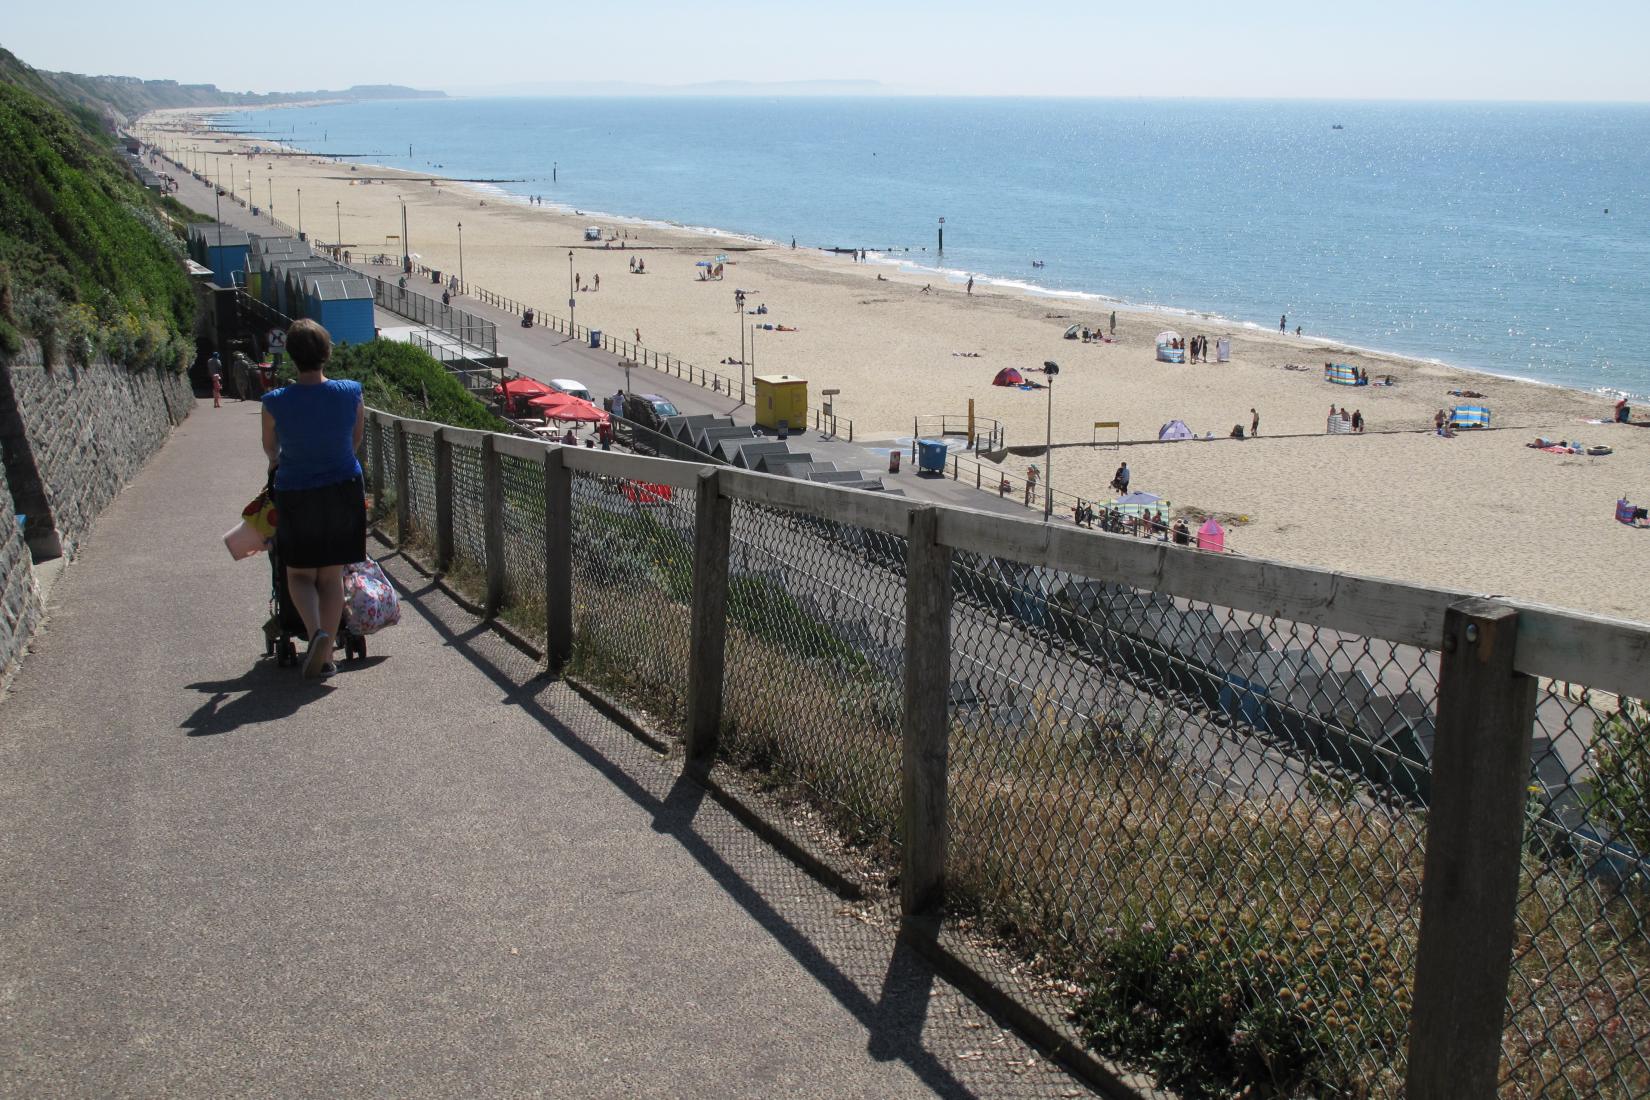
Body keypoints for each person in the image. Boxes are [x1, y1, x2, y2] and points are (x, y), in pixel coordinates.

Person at [260, 320, 365, 680]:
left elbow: (271, 449)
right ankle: (330, 643)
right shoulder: (351, 391)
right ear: (327, 352)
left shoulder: (275, 401)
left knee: (300, 573)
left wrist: (284, 459)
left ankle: (317, 632)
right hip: (342, 487)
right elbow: (355, 439)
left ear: (291, 356)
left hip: (296, 491)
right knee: (331, 574)